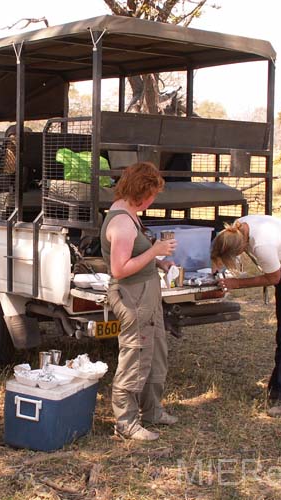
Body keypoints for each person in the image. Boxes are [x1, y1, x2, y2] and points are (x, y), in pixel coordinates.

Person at [211, 215, 281, 417]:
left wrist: (237, 284)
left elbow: (273, 278)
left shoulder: (262, 244)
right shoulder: (237, 229)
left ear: (241, 249)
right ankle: (277, 389)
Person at [100, 162, 178, 441]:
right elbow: (119, 269)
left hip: (147, 292)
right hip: (132, 295)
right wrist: (155, 250)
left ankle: (152, 410)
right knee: (135, 354)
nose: (153, 200)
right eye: (152, 194)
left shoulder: (129, 213)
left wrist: (159, 261)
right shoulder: (121, 222)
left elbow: (137, 255)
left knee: (156, 350)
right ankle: (126, 422)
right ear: (140, 192)